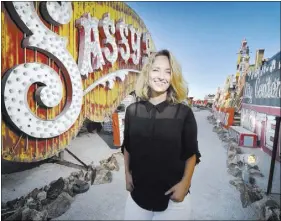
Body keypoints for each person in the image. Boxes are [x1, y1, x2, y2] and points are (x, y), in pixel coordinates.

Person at [121, 49, 201, 220]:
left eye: (168, 71)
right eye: (156, 69)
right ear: (147, 73)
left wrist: (184, 185)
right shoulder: (132, 111)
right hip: (137, 197)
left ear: (173, 78)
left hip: (173, 202)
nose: (161, 76)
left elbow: (191, 154)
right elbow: (127, 146)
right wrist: (127, 173)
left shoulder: (183, 113)